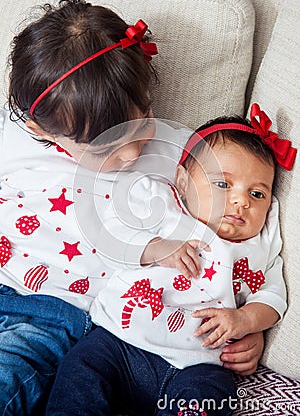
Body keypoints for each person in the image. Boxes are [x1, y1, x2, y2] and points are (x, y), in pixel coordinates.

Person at [0, 0, 266, 413]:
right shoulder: (13, 138)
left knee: (9, 377)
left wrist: (249, 321)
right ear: (43, 130)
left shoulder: (178, 150)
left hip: (52, 314)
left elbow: (240, 222)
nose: (129, 155)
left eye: (140, 126)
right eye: (104, 147)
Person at [46, 105, 296, 416]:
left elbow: (273, 297)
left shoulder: (262, 244)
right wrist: (155, 247)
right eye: (223, 184)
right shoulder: (162, 204)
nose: (241, 201)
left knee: (213, 397)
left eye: (257, 194)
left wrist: (247, 321)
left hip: (200, 364)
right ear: (183, 181)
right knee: (80, 369)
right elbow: (111, 235)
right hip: (120, 342)